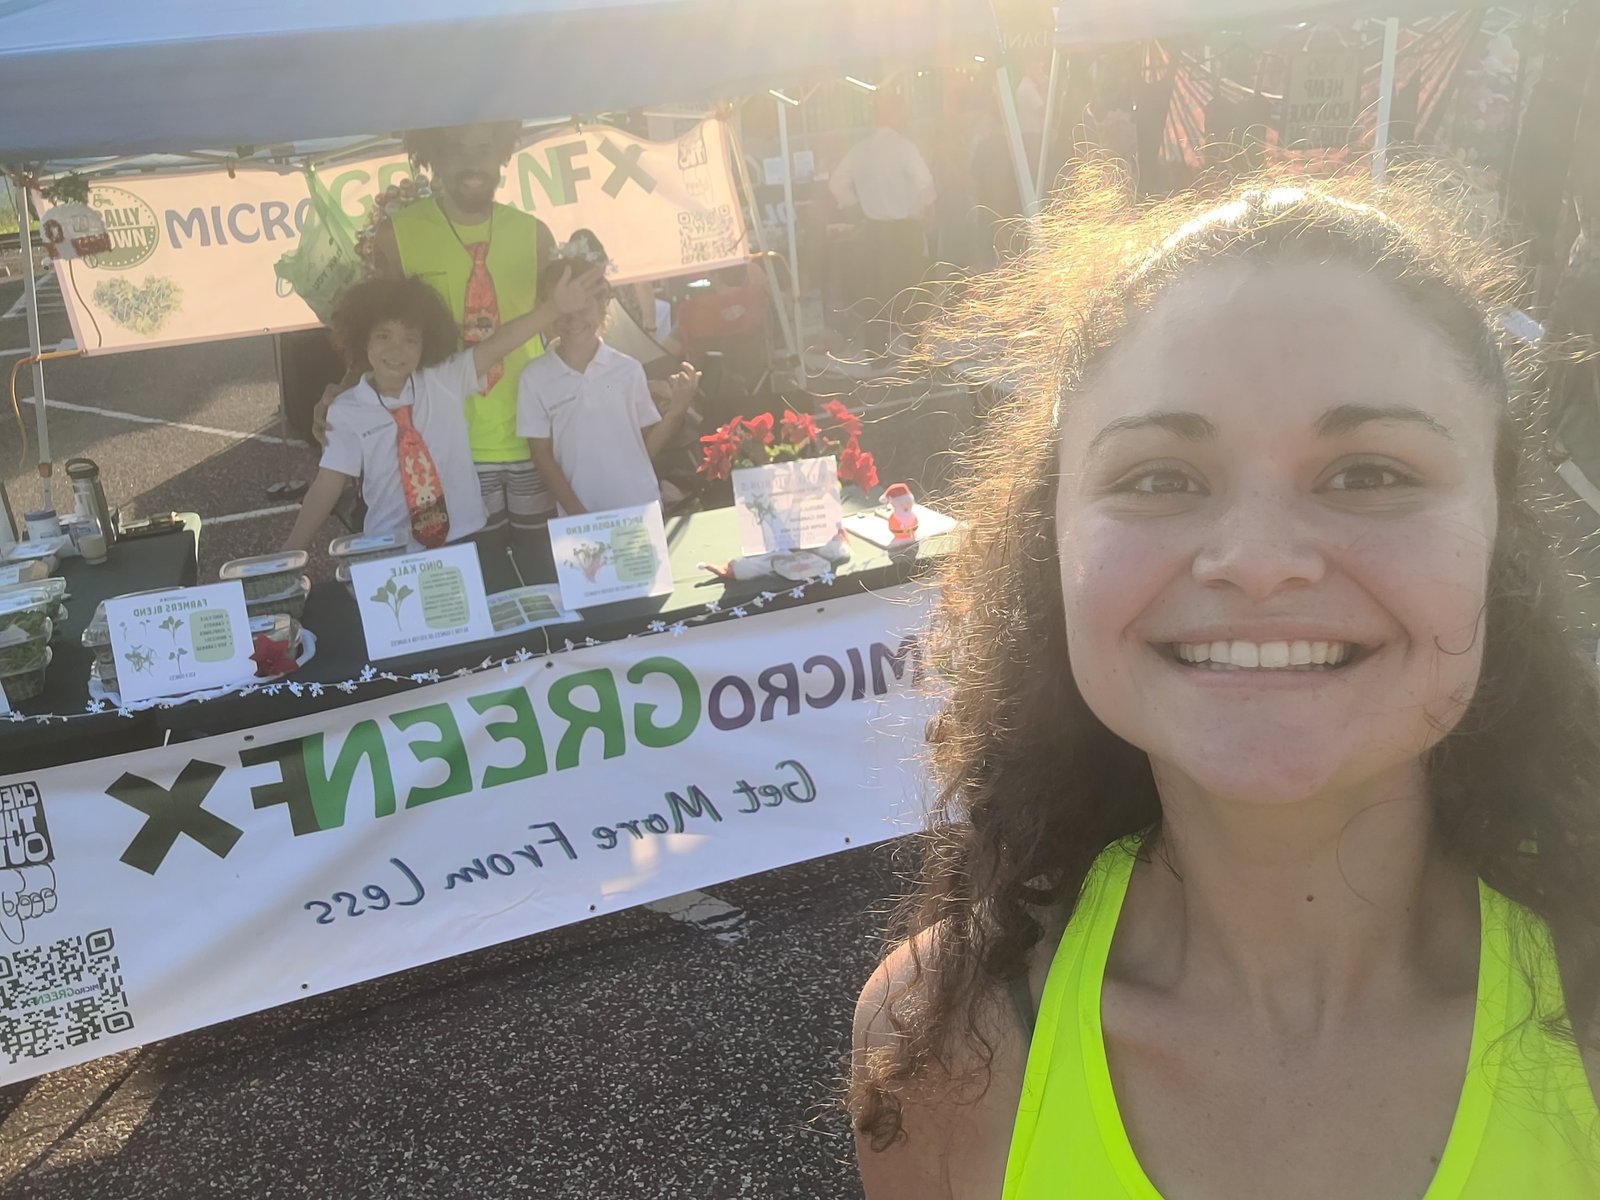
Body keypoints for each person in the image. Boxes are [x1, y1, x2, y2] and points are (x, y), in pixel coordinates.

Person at [849, 161, 1600, 1198]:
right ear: (1052, 543)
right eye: (1160, 477)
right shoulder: (946, 1043)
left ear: (1497, 533)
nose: (1256, 560)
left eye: (1370, 473)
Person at [312, 123, 603, 550]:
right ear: (431, 157)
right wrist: (344, 391)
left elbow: (559, 323)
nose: (472, 162)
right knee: (476, 575)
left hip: (533, 436)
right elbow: (382, 329)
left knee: (545, 569)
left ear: (502, 155)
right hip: (450, 450)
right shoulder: (397, 234)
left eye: (484, 148)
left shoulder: (535, 234)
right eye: (455, 149)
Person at [284, 267, 593, 553]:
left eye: (410, 340)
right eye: (383, 336)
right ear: (363, 338)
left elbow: (500, 344)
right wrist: (290, 552)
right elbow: (328, 484)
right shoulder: (347, 410)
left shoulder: (445, 380)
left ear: (426, 345)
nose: (396, 349)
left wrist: (553, 308)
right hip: (392, 547)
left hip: (465, 538)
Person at [517, 257, 700, 517]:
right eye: (563, 310)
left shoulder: (629, 370)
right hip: (578, 518)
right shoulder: (534, 377)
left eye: (583, 307)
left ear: (603, 306)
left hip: (640, 509)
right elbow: (541, 455)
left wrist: (677, 412)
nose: (573, 319)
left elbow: (643, 448)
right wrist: (578, 513)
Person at [830, 93, 937, 356]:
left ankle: (876, 353)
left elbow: (836, 183)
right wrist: (923, 211)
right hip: (905, 230)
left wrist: (855, 208)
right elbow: (926, 186)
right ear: (896, 114)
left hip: (874, 230)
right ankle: (917, 353)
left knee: (875, 293)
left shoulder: (860, 150)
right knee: (911, 291)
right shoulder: (904, 147)